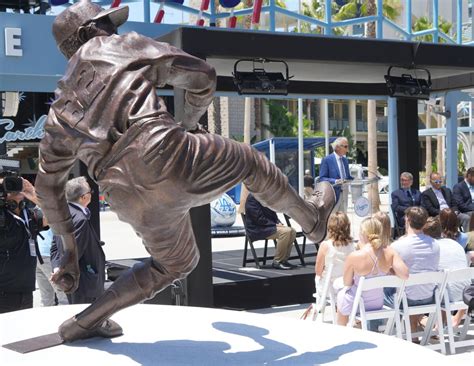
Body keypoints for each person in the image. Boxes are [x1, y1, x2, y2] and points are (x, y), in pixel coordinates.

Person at [35, 0, 336, 342]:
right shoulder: (119, 46)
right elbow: (203, 76)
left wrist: (70, 254)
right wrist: (188, 126)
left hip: (123, 193)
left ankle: (86, 321)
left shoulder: (59, 111)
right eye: (106, 25)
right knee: (251, 161)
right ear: (89, 32)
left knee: (175, 264)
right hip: (164, 151)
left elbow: (47, 189)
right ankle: (312, 220)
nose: (113, 30)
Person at [336, 217, 409, 326]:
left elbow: (347, 283)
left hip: (356, 303)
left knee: (342, 295)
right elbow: (405, 275)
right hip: (377, 302)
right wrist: (391, 271)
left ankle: (341, 331)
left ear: (363, 233)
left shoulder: (354, 256)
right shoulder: (389, 252)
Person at [51, 177, 106, 304]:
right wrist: (60, 271)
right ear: (84, 197)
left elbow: (54, 246)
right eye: (90, 192)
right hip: (84, 282)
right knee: (86, 318)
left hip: (74, 280)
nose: (91, 195)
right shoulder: (80, 218)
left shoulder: (62, 215)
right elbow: (73, 253)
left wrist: (56, 268)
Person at [387, 206, 440, 332]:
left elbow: (388, 270)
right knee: (412, 286)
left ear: (407, 220)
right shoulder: (435, 244)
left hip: (406, 299)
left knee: (380, 288)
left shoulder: (398, 245)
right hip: (429, 297)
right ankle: (414, 328)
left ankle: (378, 332)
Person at [0, 173, 46, 313]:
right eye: (9, 184)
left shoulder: (29, 215)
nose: (16, 187)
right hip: (3, 291)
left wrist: (35, 196)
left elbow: (54, 217)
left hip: (26, 289)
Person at [422, 217, 469, 328]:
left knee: (417, 292)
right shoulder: (455, 244)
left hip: (447, 295)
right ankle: (439, 323)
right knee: (443, 282)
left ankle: (424, 322)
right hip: (466, 293)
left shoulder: (431, 247)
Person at [244, 194, 297, 270]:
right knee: (285, 232)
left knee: (292, 231)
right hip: (257, 229)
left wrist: (278, 222)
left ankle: (284, 260)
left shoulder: (266, 196)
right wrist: (274, 224)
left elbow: (273, 214)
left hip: (268, 227)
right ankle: (277, 261)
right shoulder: (252, 198)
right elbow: (258, 218)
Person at [314, 212, 355, 297]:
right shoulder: (353, 246)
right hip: (348, 288)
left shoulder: (325, 246)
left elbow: (318, 271)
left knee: (317, 278)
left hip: (329, 289)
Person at [319, 137, 354, 213]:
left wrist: (356, 179)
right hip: (333, 195)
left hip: (345, 193)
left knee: (343, 218)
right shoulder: (327, 160)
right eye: (345, 146)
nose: (347, 149)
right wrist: (335, 181)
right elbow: (322, 178)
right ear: (337, 147)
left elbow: (347, 177)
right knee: (333, 219)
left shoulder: (345, 160)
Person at [35, 227, 68, 306]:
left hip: (37, 251)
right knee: (63, 296)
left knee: (46, 296)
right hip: (48, 253)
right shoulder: (54, 214)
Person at [452, 167, 474, 233]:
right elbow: (461, 205)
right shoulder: (458, 187)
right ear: (469, 176)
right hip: (465, 211)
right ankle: (470, 240)